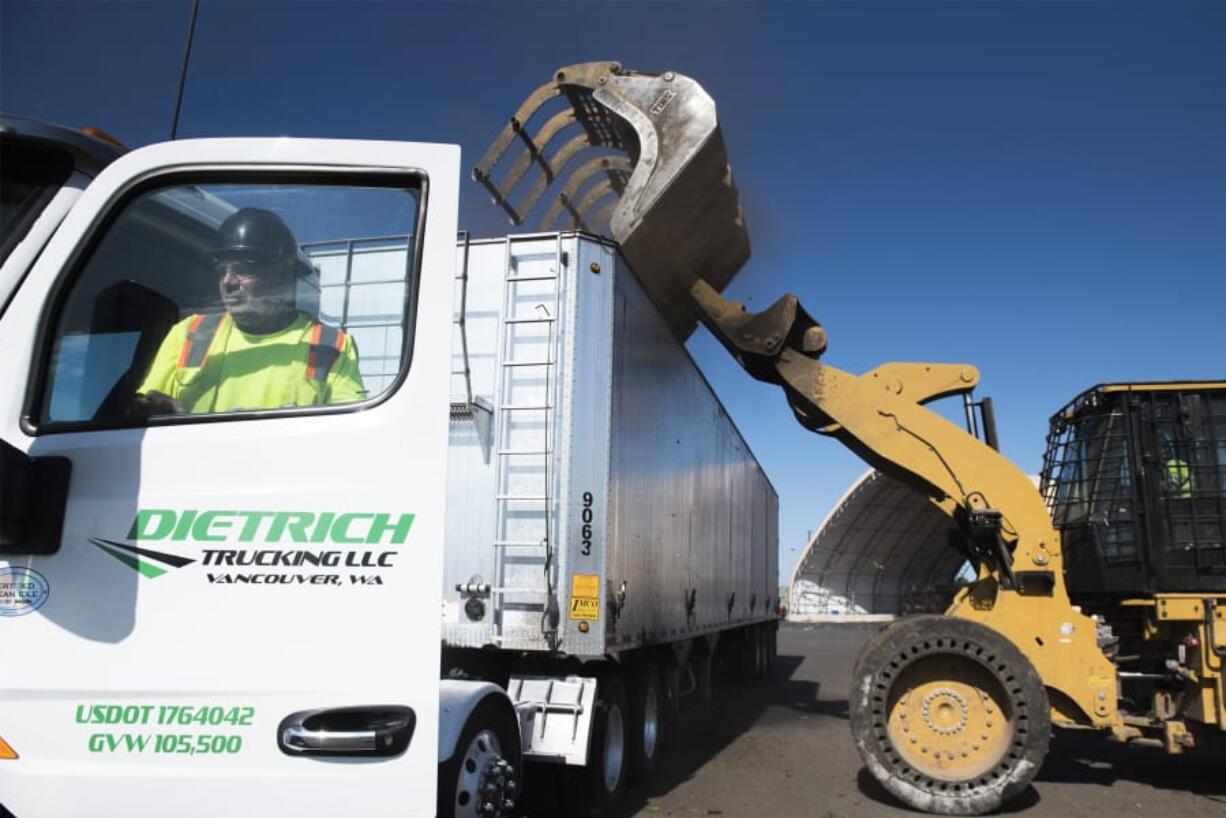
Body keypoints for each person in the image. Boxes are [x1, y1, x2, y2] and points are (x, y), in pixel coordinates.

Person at [133, 208, 365, 416]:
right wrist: (151, 409)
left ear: (283, 274)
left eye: (243, 269)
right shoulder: (189, 333)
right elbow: (146, 410)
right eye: (222, 270)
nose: (228, 282)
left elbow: (350, 432)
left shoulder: (330, 345)